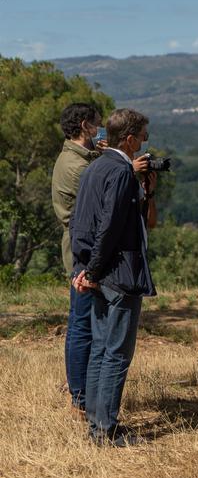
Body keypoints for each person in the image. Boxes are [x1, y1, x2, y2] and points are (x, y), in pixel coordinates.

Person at [70, 108, 156, 447]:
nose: (146, 143)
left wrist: (84, 267)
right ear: (130, 138)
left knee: (101, 349)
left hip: (97, 270)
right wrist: (92, 271)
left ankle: (96, 422)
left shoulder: (94, 167)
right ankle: (105, 429)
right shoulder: (121, 171)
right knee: (116, 353)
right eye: (143, 136)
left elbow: (82, 221)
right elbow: (109, 226)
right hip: (117, 273)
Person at [51, 103, 105, 418]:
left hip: (81, 248)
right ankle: (80, 398)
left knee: (82, 322)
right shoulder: (77, 166)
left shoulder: (80, 159)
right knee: (82, 324)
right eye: (96, 123)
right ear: (85, 125)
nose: (99, 128)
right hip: (84, 252)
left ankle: (82, 394)